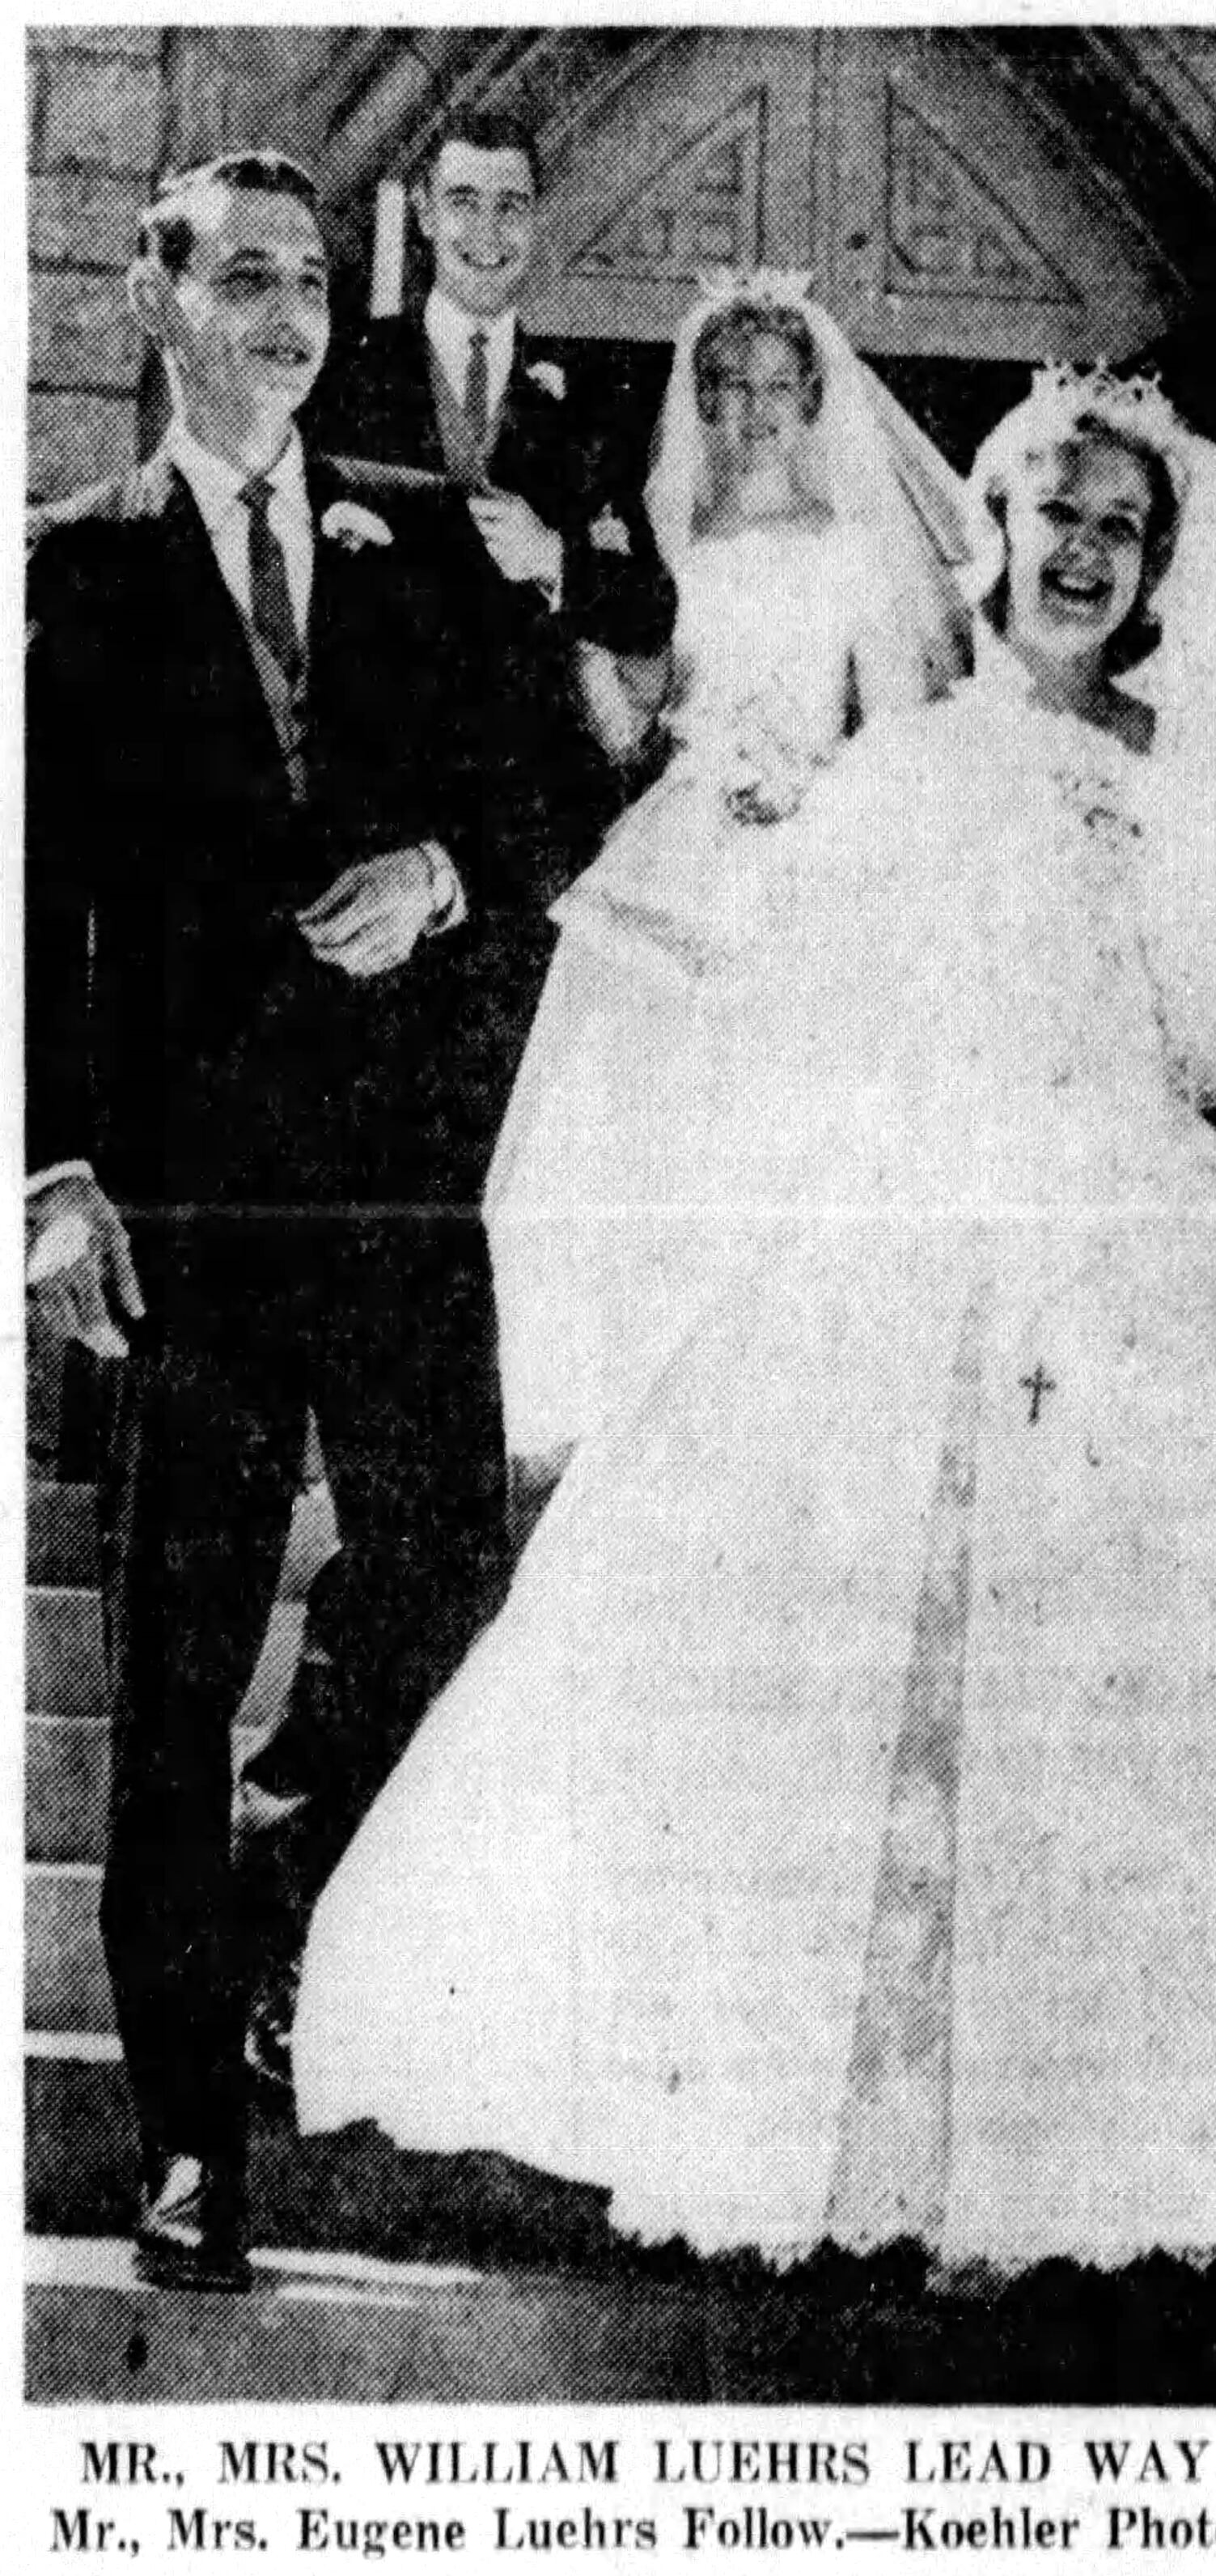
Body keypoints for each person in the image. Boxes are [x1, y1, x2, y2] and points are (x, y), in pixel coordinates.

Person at [292, 362, 1216, 2270]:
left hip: (1121, 1232)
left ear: (1152, 564)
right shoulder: (905, 755)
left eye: (1116, 529)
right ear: (992, 527)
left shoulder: (1180, 775)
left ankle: (1088, 2146)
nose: (1078, 554)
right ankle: (845, 2132)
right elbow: (797, 1012)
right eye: (1053, 515)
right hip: (908, 1225)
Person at [25, 152, 515, 2290]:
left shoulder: (419, 533)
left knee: (450, 1565)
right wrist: (49, 1175)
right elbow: (30, 895)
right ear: (156, 304)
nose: (289, 313)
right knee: (168, 1681)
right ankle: (186, 2154)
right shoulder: (76, 562)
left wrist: (445, 874)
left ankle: (280, 1854)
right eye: (243, 277)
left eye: (310, 278)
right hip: (189, 1212)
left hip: (399, 1194)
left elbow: (557, 793)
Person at [484, 274, 972, 1497]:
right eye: (730, 387)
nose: (754, 411)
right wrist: (593, 647)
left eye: (777, 389)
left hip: (811, 853)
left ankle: (761, 1448)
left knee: (778, 1150)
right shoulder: (669, 534)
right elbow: (628, 724)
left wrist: (811, 785)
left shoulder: (854, 548)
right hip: (675, 846)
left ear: (812, 401)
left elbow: (896, 731)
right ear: (699, 399)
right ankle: (628, 1444)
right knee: (630, 1143)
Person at [313, 106, 677, 1139]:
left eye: (510, 206)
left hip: (522, 837)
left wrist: (557, 560)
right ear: (426, 214)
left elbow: (652, 606)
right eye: (463, 202)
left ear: (536, 220)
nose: (486, 230)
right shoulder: (347, 369)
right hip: (370, 814)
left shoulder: (593, 398)